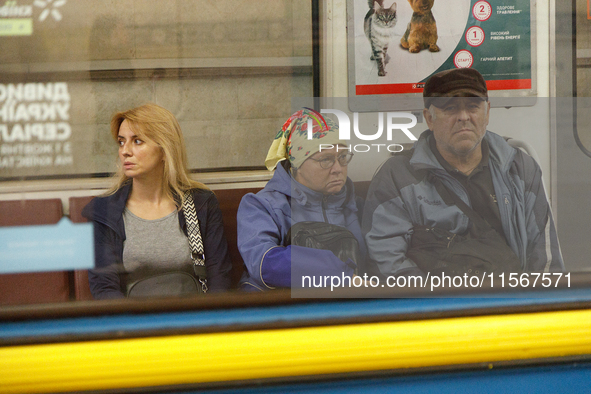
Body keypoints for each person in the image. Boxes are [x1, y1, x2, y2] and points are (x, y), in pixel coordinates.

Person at [362, 68, 564, 277]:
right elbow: (387, 264)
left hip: (509, 300)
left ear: (487, 113)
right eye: (450, 108)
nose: (464, 117)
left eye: (473, 106)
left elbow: (545, 260)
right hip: (435, 303)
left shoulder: (520, 168)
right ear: (429, 118)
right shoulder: (396, 177)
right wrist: (445, 306)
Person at [83, 103, 232, 299]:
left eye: (137, 141)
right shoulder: (103, 212)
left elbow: (219, 278)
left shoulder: (200, 204)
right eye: (121, 142)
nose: (125, 151)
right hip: (133, 322)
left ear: (164, 149)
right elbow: (104, 289)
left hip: (193, 317)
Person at [237, 108, 367, 290]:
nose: (338, 168)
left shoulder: (355, 204)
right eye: (326, 159)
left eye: (343, 157)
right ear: (297, 164)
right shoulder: (261, 206)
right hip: (284, 311)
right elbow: (265, 263)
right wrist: (339, 275)